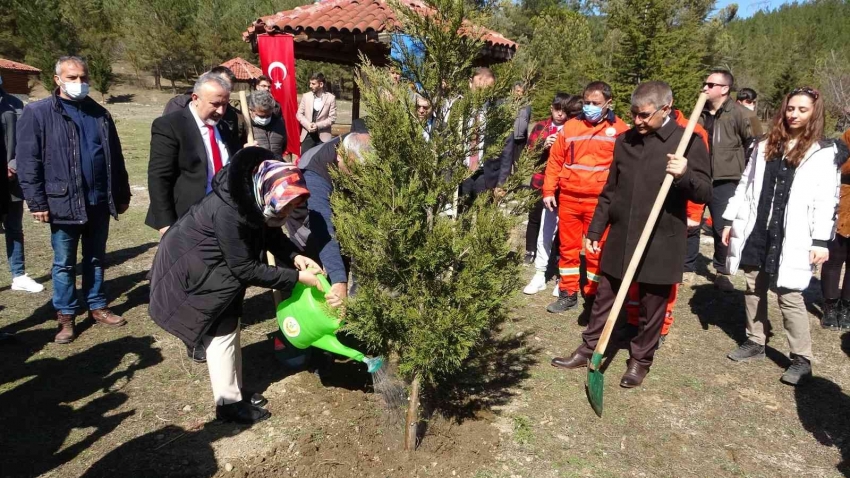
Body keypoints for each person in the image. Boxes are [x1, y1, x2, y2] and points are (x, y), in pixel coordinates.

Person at [149, 147, 338, 424]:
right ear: (268, 192)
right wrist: (297, 278)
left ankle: (234, 391)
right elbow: (244, 268)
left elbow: (270, 234)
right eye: (284, 206)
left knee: (230, 326)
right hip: (196, 271)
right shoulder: (229, 211)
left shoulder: (255, 197)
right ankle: (227, 404)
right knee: (221, 332)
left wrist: (295, 256)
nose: (286, 213)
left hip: (216, 267)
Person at [551, 81, 711, 388]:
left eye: (645, 115)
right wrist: (597, 228)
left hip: (661, 238)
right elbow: (610, 190)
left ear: (666, 109)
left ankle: (640, 360)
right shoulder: (625, 140)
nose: (637, 121)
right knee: (604, 297)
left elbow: (704, 190)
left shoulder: (687, 141)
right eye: (634, 114)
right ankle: (589, 348)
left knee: (652, 306)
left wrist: (685, 174)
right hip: (622, 233)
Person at [723, 87, 841, 386]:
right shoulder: (765, 144)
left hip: (794, 235)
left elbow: (826, 200)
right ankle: (755, 340)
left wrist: (820, 240)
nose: (795, 114)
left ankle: (801, 358)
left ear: (814, 113)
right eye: (791, 108)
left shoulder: (822, 152)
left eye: (802, 109)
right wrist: (729, 219)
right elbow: (745, 186)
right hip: (759, 228)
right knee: (752, 286)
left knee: (790, 294)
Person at [16, 56, 131, 344]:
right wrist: (37, 201)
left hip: (98, 202)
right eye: (72, 78)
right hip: (63, 202)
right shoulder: (39, 113)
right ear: (57, 80)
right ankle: (66, 316)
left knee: (95, 258)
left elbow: (115, 159)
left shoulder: (99, 114)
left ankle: (97, 305)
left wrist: (121, 194)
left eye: (83, 77)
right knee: (64, 263)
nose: (79, 83)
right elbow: (29, 161)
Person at [147, 73, 250, 362]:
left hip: (224, 217)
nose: (221, 110)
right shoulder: (170, 126)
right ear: (195, 98)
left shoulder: (226, 124)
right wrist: (167, 225)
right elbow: (158, 178)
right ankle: (193, 335)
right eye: (215, 104)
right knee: (194, 280)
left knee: (222, 276)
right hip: (188, 220)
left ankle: (221, 325)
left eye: (226, 104)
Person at [542, 81, 629, 313]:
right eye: (587, 102)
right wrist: (549, 190)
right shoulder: (570, 127)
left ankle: (593, 296)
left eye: (596, 103)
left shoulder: (620, 130)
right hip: (569, 198)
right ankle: (568, 293)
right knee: (568, 249)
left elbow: (626, 168)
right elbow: (555, 161)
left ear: (608, 103)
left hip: (599, 203)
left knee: (595, 251)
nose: (590, 107)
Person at [692, 68, 762, 292]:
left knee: (722, 227)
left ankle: (722, 271)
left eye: (710, 85)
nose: (704, 88)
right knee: (689, 223)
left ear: (724, 89)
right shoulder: (698, 113)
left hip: (727, 180)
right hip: (697, 177)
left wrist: (745, 174)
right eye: (705, 84)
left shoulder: (745, 114)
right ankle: (686, 266)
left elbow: (760, 144)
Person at [285, 132, 372, 305]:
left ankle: (351, 312)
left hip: (339, 209)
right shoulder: (315, 174)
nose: (358, 177)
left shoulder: (358, 146)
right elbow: (323, 228)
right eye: (354, 171)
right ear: (340, 155)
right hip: (305, 219)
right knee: (319, 268)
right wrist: (339, 279)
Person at [522, 93, 582, 295]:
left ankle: (562, 276)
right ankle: (540, 272)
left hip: (566, 186)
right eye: (557, 109)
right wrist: (543, 145)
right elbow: (529, 154)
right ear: (551, 108)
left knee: (566, 232)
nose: (560, 114)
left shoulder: (573, 128)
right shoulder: (542, 127)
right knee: (542, 227)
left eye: (564, 111)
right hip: (543, 183)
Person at [0, 75, 43, 292]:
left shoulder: (15, 104)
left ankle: (18, 275)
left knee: (14, 228)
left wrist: (14, 165)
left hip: (12, 178)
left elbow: (26, 139)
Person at [162, 66, 246, 145]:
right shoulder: (179, 104)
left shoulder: (231, 114)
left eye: (228, 88)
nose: (220, 111)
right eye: (220, 83)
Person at [821, 128, 850, 330]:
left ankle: (847, 307)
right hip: (844, 203)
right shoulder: (848, 136)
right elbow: (839, 166)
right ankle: (830, 306)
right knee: (835, 258)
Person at [459, 67, 502, 200]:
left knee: (482, 214)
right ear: (470, 83)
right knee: (461, 212)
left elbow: (507, 148)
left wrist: (501, 181)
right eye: (478, 89)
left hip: (486, 173)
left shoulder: (499, 112)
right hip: (462, 171)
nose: (482, 94)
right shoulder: (459, 108)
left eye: (487, 90)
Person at [495, 83, 531, 199]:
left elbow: (527, 120)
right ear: (512, 91)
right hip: (507, 140)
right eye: (518, 91)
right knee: (506, 163)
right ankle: (502, 187)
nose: (520, 94)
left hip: (520, 140)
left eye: (522, 92)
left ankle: (516, 188)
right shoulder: (505, 103)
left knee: (518, 165)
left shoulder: (527, 106)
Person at [297, 73, 336, 154]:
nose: (310, 86)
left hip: (323, 137)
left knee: (322, 164)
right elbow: (299, 114)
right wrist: (308, 125)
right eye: (310, 83)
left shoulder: (331, 98)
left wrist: (317, 125)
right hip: (307, 136)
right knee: (304, 163)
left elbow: (332, 118)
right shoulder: (306, 96)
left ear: (321, 84)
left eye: (313, 84)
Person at [248, 90, 287, 158]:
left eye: (268, 115)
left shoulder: (279, 123)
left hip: (275, 164)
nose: (265, 119)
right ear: (251, 110)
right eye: (261, 116)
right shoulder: (243, 125)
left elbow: (283, 145)